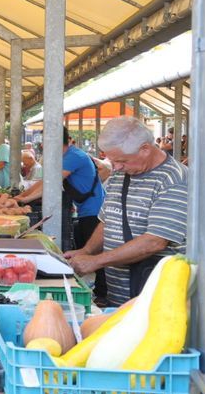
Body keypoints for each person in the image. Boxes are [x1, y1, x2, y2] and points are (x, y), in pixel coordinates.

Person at [65, 117, 186, 307]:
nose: (116, 167)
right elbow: (107, 220)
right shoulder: (121, 174)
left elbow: (154, 241)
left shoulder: (174, 179)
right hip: (119, 296)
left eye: (122, 160)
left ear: (145, 149)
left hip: (156, 300)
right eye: (113, 161)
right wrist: (86, 251)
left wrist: (96, 261)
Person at [16, 127, 105, 253]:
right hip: (86, 209)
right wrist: (22, 195)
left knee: (93, 254)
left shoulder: (73, 156)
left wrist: (25, 199)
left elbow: (52, 185)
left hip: (94, 211)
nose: (42, 145)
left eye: (45, 141)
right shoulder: (66, 156)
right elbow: (45, 181)